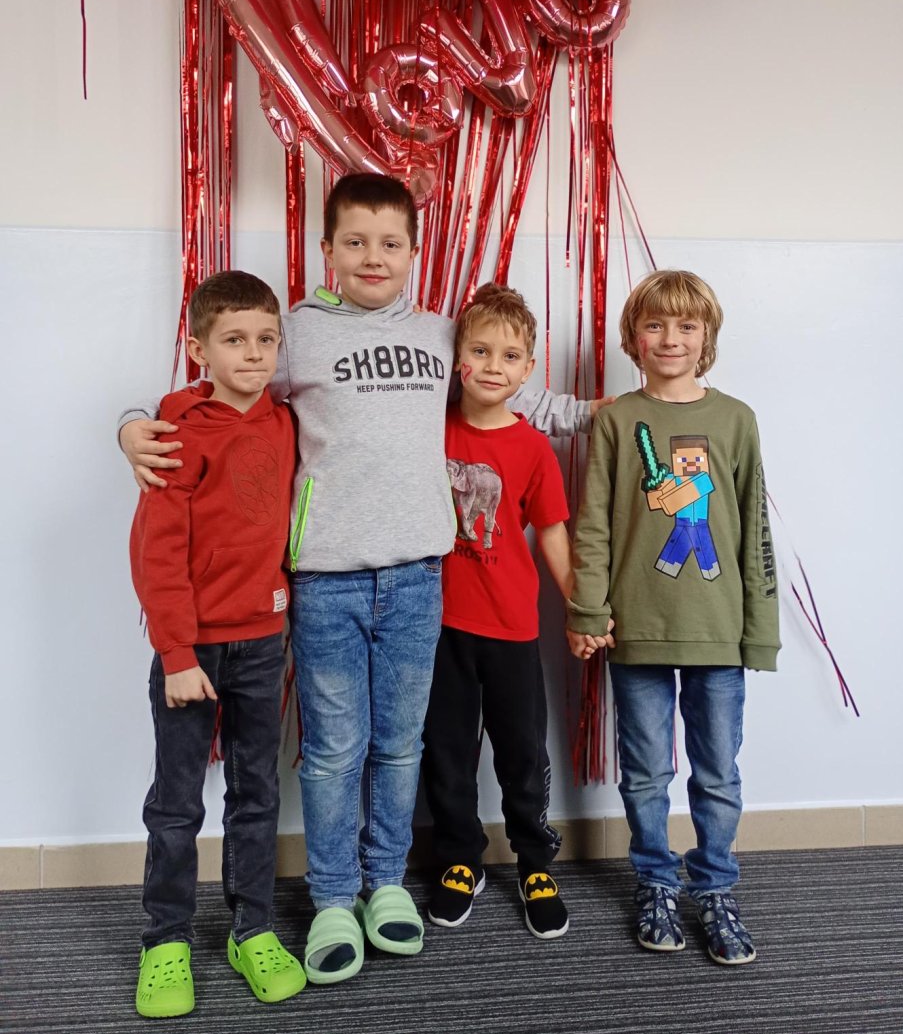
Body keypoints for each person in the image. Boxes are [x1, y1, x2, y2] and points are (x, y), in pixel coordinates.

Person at [119, 173, 597, 986]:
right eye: (355, 242)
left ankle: (385, 884)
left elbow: (521, 395)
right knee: (335, 749)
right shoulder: (295, 335)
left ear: (413, 252)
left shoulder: (441, 334)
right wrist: (131, 424)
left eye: (390, 243)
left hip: (417, 579)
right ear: (327, 250)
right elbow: (215, 390)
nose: (373, 257)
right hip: (326, 584)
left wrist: (613, 414)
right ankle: (335, 897)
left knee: (399, 744)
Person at [566, 269, 780, 966]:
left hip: (718, 630)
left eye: (687, 325)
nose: (670, 338)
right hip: (636, 628)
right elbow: (593, 524)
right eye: (655, 324)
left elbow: (754, 529)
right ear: (633, 336)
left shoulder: (736, 420)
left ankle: (714, 887)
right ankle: (655, 882)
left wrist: (760, 630)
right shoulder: (616, 420)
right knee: (644, 772)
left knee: (716, 772)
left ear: (706, 336)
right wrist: (588, 609)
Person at [129, 271, 305, 1018]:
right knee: (176, 803)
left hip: (263, 642)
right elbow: (156, 552)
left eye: (266, 339)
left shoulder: (286, 421)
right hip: (191, 652)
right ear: (199, 348)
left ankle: (251, 929)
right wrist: (175, 654)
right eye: (235, 340)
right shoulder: (175, 434)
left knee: (256, 794)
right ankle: (165, 940)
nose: (254, 354)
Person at [423, 284, 579, 940]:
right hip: (437, 625)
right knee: (446, 749)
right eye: (480, 350)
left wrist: (580, 606)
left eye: (509, 356)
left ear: (527, 369)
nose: (493, 365)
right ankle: (460, 856)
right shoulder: (428, 427)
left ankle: (535, 861)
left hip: (511, 626)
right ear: (456, 356)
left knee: (521, 751)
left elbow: (551, 533)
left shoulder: (533, 448)